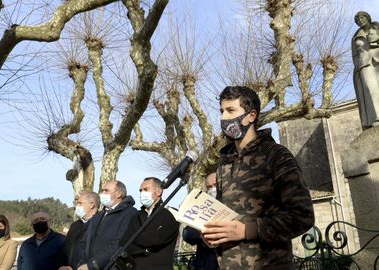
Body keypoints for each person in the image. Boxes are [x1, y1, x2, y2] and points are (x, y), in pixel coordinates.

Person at [202, 86, 315, 269]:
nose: (223, 118)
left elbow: (302, 216)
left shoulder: (276, 155)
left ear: (251, 116)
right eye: (222, 111)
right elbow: (225, 219)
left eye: (231, 110)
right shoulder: (224, 165)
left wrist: (246, 230)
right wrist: (213, 234)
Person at [119, 177, 179, 270]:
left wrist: (134, 237)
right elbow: (124, 242)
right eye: (140, 190)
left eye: (146, 189)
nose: (142, 193)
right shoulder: (136, 216)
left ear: (158, 191)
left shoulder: (170, 214)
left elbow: (155, 240)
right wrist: (144, 249)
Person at [77, 180, 137, 270]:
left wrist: (93, 265)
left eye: (106, 190)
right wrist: (81, 263)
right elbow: (85, 242)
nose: (102, 193)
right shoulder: (98, 216)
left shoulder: (130, 213)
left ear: (118, 194)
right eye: (102, 190)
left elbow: (119, 243)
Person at [182, 173, 219, 270]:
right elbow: (187, 234)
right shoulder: (201, 208)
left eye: (216, 185)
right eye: (209, 187)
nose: (213, 189)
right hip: (204, 264)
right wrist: (202, 233)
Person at [59, 191, 100, 270]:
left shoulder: (101, 223)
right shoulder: (74, 226)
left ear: (91, 204)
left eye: (80, 203)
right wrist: (62, 265)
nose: (77, 206)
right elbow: (65, 249)